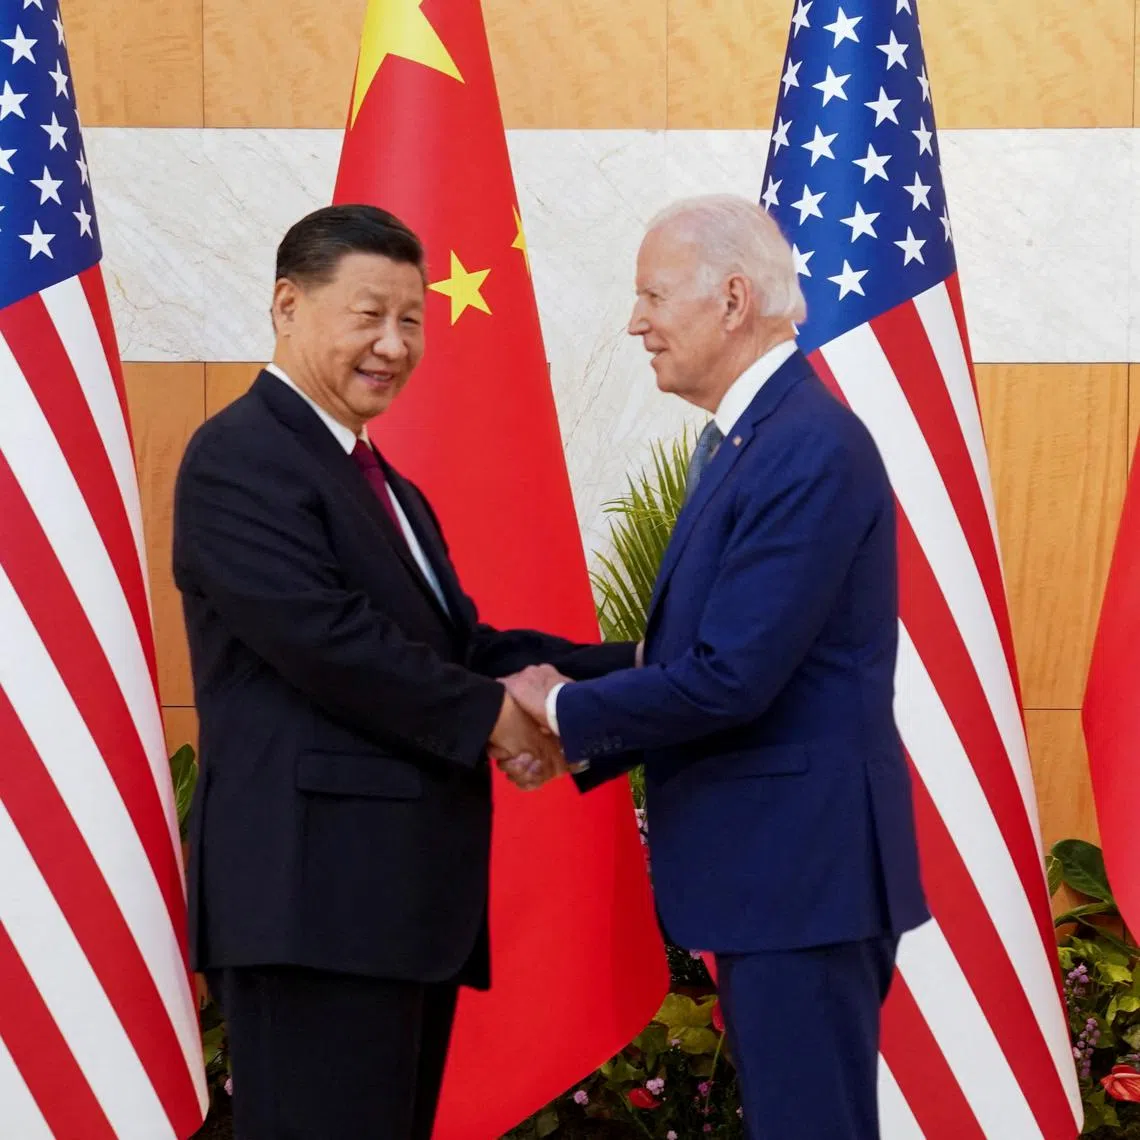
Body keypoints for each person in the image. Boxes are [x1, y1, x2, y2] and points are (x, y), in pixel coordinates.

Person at [172, 204, 632, 1140]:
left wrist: (654, 669)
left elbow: (461, 650)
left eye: (412, 319)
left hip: (388, 907)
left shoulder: (384, 483)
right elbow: (328, 642)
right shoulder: (239, 458)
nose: (393, 344)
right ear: (288, 305)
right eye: (368, 314)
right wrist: (500, 721)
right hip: (313, 910)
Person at [502, 195, 929, 1139]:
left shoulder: (805, 445)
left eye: (653, 294)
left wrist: (564, 713)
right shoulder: (751, 439)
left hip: (801, 876)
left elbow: (732, 676)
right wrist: (521, 670)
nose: (635, 321)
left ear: (733, 299)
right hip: (780, 874)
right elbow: (687, 656)